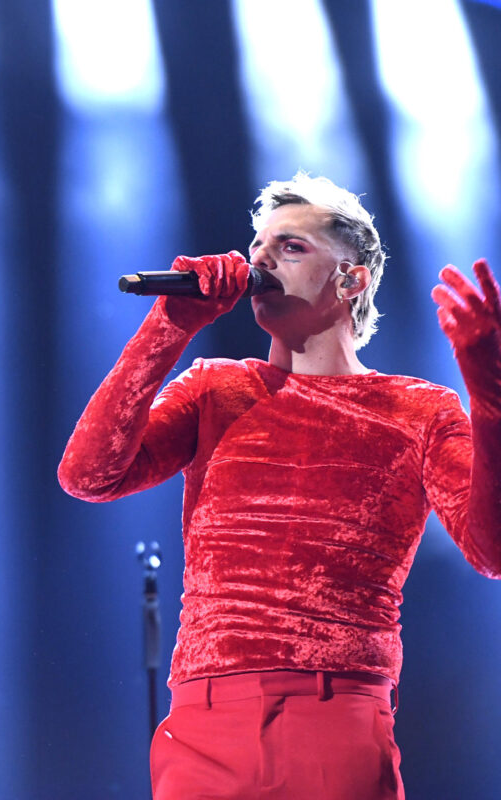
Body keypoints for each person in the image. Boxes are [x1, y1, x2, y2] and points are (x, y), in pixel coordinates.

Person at [57, 173, 501, 800]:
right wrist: (169, 327)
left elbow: (492, 550)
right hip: (204, 727)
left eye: (290, 247)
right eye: (257, 246)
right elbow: (87, 475)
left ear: (352, 279)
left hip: (334, 716)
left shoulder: (418, 410)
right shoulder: (214, 387)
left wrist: (490, 389)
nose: (260, 260)